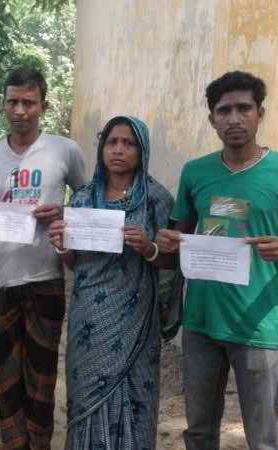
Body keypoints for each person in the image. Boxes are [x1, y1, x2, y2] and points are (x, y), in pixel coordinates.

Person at [155, 71, 278, 449]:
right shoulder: (195, 172)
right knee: (199, 432)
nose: (234, 119)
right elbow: (178, 238)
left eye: (244, 108)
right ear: (211, 119)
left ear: (260, 113)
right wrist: (166, 241)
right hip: (200, 322)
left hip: (257, 324)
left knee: (262, 439)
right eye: (223, 111)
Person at [0, 68, 86, 450]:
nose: (20, 110)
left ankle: (40, 444)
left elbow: (88, 202)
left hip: (46, 278)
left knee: (42, 379)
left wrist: (63, 214)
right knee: (6, 377)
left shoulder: (65, 150)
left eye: (28, 102)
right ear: (3, 104)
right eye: (13, 101)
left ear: (43, 106)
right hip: (0, 281)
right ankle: (13, 444)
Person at [47, 116, 173, 449]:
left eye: (128, 143)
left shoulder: (156, 199)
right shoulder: (83, 198)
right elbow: (74, 261)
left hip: (136, 318)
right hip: (88, 318)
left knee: (136, 393)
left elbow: (172, 261)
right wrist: (61, 245)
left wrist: (148, 248)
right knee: (85, 394)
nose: (118, 150)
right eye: (112, 142)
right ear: (102, 147)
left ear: (142, 150)